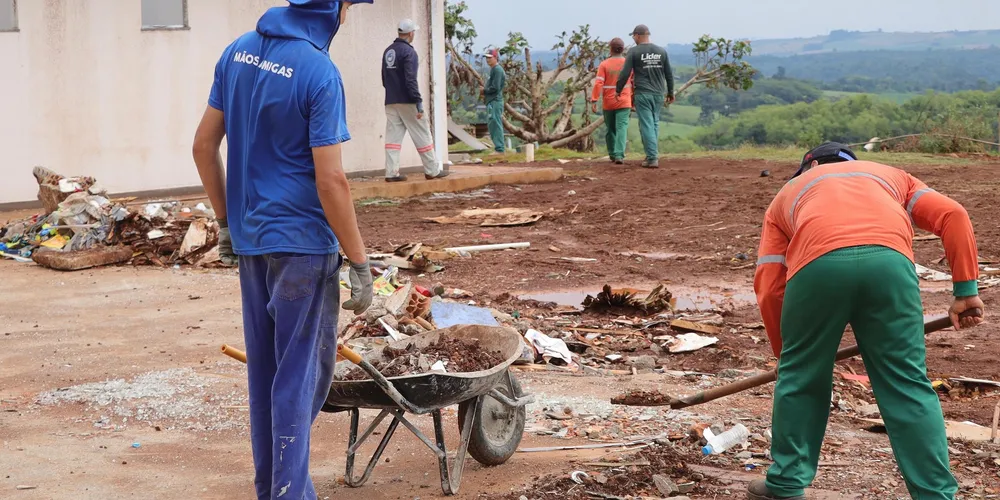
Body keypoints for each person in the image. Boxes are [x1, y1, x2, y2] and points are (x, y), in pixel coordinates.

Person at [191, 1, 375, 499]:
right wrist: (359, 260)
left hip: (252, 242)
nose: (348, 16)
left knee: (267, 376)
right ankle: (290, 494)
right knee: (298, 380)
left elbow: (203, 145)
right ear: (332, 9)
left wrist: (226, 223)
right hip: (302, 247)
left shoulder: (238, 52)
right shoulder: (319, 71)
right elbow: (332, 179)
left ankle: (274, 490)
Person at [750, 141, 985, 500]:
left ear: (808, 167)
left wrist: (788, 356)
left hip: (817, 269)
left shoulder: (790, 191)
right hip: (889, 266)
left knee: (802, 378)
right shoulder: (890, 177)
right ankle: (936, 495)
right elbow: (952, 215)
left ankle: (786, 484)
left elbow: (770, 286)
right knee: (906, 382)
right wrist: (965, 290)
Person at [382, 18, 446, 182]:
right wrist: (417, 101)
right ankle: (432, 170)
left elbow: (384, 78)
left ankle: (391, 173)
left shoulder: (388, 51)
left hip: (391, 100)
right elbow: (410, 79)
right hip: (408, 101)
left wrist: (392, 93)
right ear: (410, 33)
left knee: (393, 139)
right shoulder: (409, 52)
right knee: (422, 134)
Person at [616, 24, 674, 169]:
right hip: (658, 94)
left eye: (633, 36)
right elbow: (668, 74)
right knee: (654, 123)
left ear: (637, 35)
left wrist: (618, 90)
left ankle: (653, 158)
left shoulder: (634, 51)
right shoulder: (661, 51)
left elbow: (625, 73)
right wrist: (671, 92)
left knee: (646, 124)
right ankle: (650, 155)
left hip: (643, 93)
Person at [591, 38, 632, 165]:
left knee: (610, 129)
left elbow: (598, 83)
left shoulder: (604, 64)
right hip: (624, 101)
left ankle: (612, 154)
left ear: (610, 49)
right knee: (622, 128)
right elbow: (633, 82)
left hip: (608, 102)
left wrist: (594, 100)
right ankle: (619, 154)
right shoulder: (627, 63)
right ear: (623, 49)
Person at [482, 49, 506, 154]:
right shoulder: (494, 70)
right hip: (492, 101)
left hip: (495, 100)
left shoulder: (497, 70)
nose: (487, 60)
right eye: (486, 57)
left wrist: (484, 90)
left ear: (495, 58)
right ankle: (498, 147)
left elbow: (495, 88)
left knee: (496, 123)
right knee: (492, 124)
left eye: (489, 57)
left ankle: (500, 149)